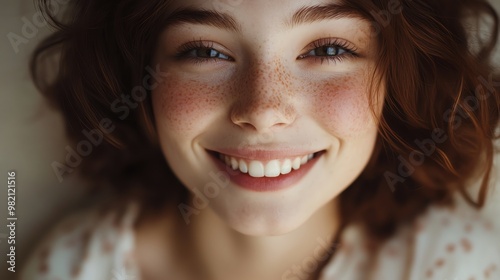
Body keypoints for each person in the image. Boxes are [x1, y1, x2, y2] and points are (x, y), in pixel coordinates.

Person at [21, 0, 500, 279]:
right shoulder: (72, 266)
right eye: (206, 51)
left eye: (328, 49)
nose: (264, 110)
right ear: (137, 79)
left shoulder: (458, 265)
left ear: (398, 80)